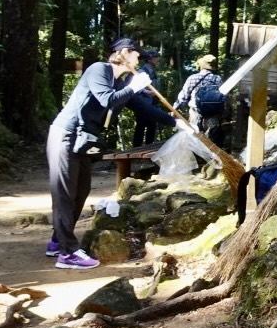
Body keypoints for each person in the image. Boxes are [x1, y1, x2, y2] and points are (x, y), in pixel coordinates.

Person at [47, 37, 189, 269]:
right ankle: (68, 253)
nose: (138, 60)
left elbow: (143, 107)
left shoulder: (119, 84)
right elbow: (105, 100)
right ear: (123, 52)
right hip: (66, 135)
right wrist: (134, 86)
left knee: (80, 191)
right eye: (136, 55)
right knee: (65, 194)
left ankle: (57, 240)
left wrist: (174, 123)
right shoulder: (98, 70)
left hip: (82, 141)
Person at [174, 54, 224, 144]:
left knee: (194, 138)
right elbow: (222, 96)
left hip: (195, 112)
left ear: (201, 66)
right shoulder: (217, 79)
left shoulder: (193, 78)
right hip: (212, 113)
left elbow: (184, 95)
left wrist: (175, 108)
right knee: (210, 141)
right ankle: (209, 157)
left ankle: (196, 157)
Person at [131, 48, 162, 148]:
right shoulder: (142, 71)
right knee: (141, 126)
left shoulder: (153, 71)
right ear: (149, 59)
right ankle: (136, 150)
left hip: (152, 104)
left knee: (151, 127)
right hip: (143, 104)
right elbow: (134, 88)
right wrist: (147, 91)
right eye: (155, 57)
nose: (157, 59)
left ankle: (148, 149)